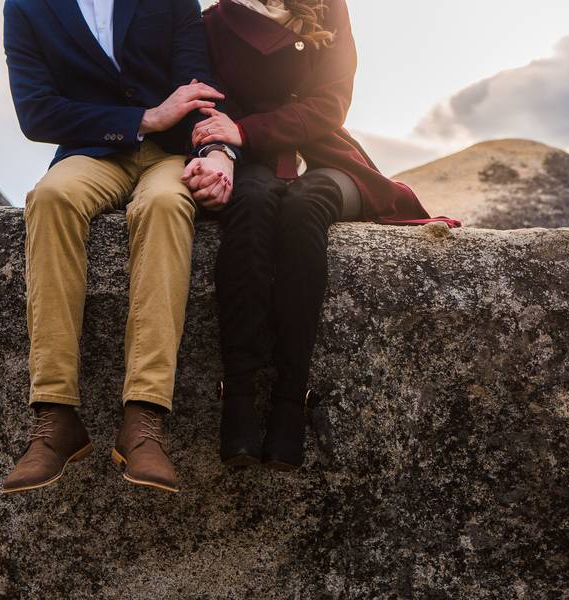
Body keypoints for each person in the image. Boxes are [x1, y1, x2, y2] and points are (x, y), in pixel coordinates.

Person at [192, 0, 461, 470]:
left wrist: (245, 129)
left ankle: (291, 401)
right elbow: (214, 104)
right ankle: (236, 399)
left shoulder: (328, 7)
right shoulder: (215, 20)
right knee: (250, 208)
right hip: (249, 161)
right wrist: (227, 144)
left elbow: (332, 103)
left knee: (303, 208)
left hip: (326, 157)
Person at [0, 0, 239, 495]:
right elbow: (35, 112)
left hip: (171, 156)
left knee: (165, 208)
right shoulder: (25, 5)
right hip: (94, 152)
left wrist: (212, 153)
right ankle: (54, 415)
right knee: (49, 198)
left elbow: (200, 89)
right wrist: (145, 117)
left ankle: (143, 419)